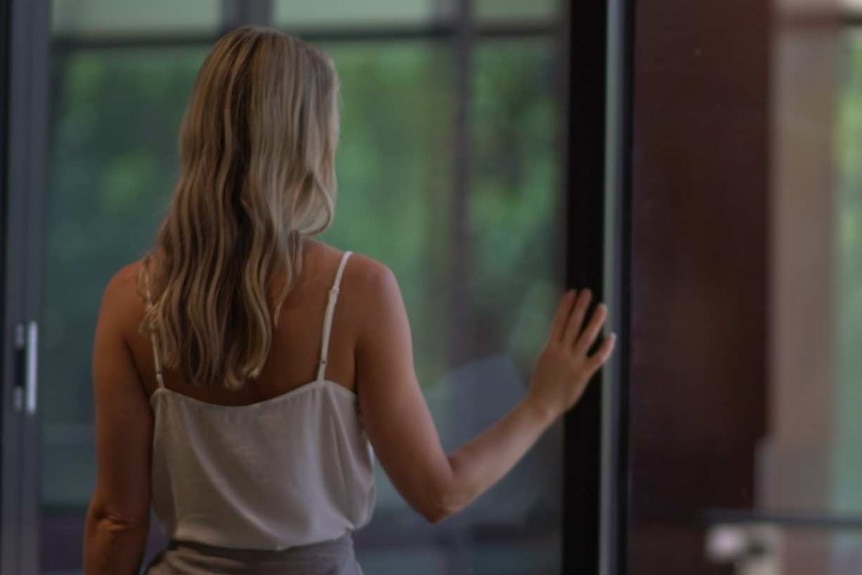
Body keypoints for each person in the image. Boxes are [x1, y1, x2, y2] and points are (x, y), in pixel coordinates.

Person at [82, 25, 616, 575]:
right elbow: (440, 494)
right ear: (307, 142)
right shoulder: (359, 292)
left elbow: (117, 522)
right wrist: (544, 404)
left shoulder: (131, 299)